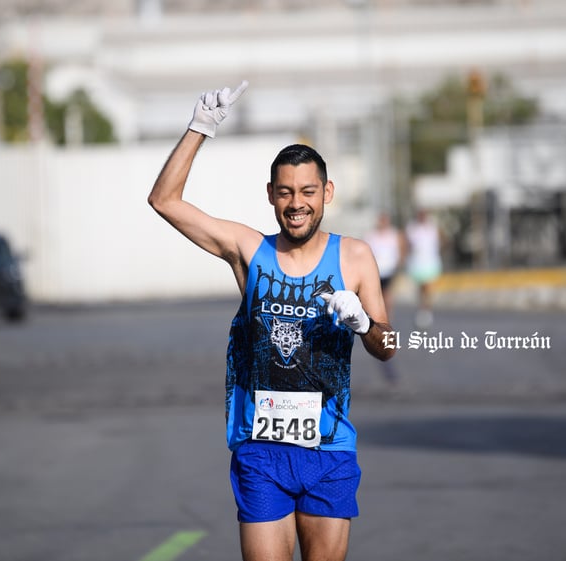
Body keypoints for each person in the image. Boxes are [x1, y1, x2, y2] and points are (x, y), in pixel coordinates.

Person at [148, 80, 396, 561]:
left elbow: (388, 346)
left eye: (307, 191)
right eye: (285, 192)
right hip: (261, 450)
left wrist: (364, 323)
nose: (296, 203)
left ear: (327, 192)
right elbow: (164, 201)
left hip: (329, 449)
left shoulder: (357, 257)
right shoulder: (249, 250)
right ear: (270, 195)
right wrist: (200, 128)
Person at [363, 211, 406, 384]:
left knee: (387, 295)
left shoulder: (393, 234)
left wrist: (399, 263)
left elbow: (401, 248)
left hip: (388, 270)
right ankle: (379, 318)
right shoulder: (371, 236)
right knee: (377, 295)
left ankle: (385, 320)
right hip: (376, 271)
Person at [405, 209, 443, 328]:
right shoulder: (412, 228)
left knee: (428, 288)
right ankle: (422, 309)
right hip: (416, 263)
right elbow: (408, 244)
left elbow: (441, 240)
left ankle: (426, 311)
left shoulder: (432, 228)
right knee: (421, 289)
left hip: (430, 262)